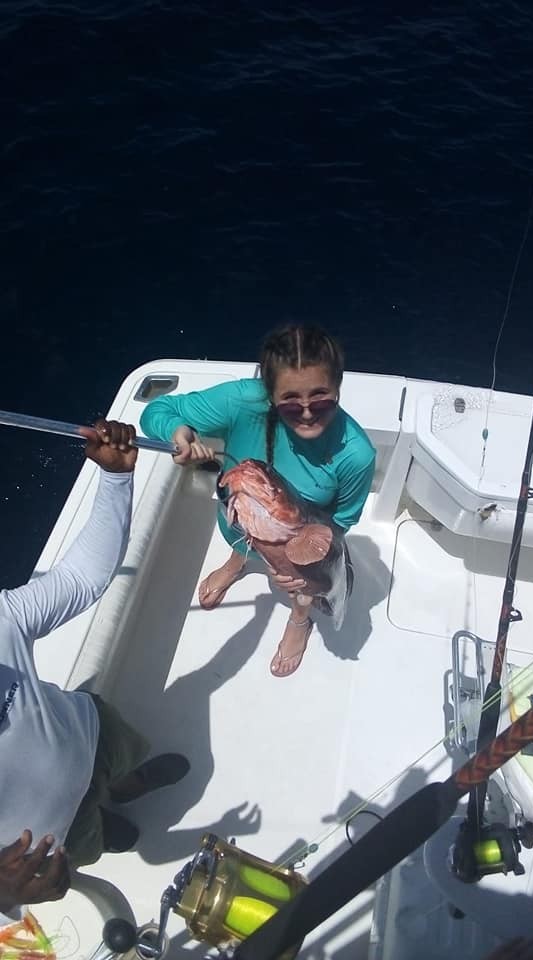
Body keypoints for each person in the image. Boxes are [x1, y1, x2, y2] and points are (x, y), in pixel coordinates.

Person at [0, 420, 189, 923]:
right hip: (51, 838)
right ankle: (109, 822)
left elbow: (80, 578)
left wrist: (114, 479)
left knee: (127, 760)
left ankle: (129, 785)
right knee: (100, 840)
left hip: (94, 735)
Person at [141, 325, 376, 677]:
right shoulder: (241, 402)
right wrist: (178, 433)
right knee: (242, 538)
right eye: (291, 401)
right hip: (237, 521)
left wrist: (307, 571)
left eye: (321, 397)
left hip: (300, 543)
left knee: (301, 592)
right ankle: (238, 562)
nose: (308, 411)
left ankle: (300, 621)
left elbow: (340, 523)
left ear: (338, 389)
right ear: (270, 394)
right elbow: (156, 411)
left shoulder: (355, 454)